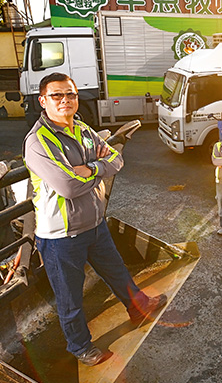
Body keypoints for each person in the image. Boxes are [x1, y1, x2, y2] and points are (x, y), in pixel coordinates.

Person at [24, 72, 166, 367]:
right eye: (56, 95)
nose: (65, 100)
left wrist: (89, 168)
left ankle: (138, 307)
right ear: (43, 101)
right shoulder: (38, 142)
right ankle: (79, 346)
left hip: (94, 223)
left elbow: (116, 159)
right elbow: (68, 187)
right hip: (61, 237)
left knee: (118, 272)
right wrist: (99, 166)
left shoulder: (82, 129)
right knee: (70, 298)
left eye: (70, 94)